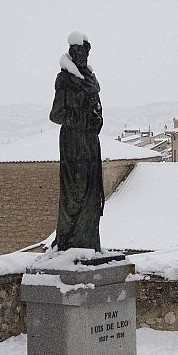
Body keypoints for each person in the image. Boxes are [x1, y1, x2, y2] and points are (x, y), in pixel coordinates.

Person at [49, 31, 104, 252]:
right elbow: (56, 114)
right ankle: (69, 241)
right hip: (73, 143)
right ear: (72, 53)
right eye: (80, 53)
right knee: (75, 193)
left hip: (90, 142)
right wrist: (81, 118)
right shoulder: (65, 80)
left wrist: (97, 119)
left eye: (86, 53)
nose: (83, 57)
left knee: (92, 193)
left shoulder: (91, 81)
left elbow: (98, 109)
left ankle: (88, 241)